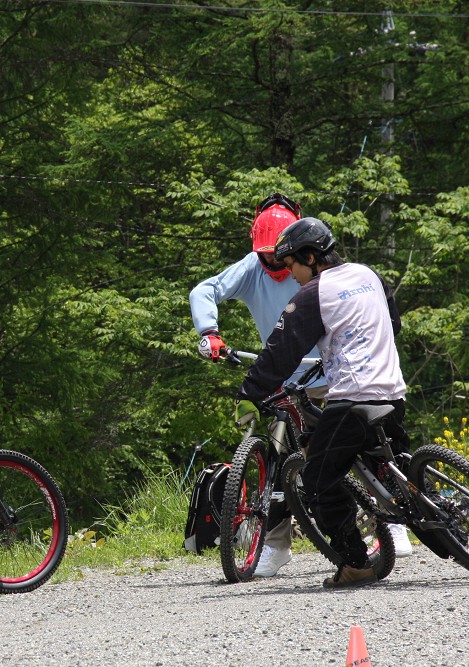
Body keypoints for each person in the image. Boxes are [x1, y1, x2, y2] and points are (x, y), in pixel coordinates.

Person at [236, 217, 410, 588]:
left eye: (291, 265)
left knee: (316, 479)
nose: (290, 274)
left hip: (351, 399)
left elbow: (280, 355)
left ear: (311, 256)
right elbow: (393, 325)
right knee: (396, 472)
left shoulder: (314, 292)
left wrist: (248, 394)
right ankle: (437, 522)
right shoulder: (369, 275)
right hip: (393, 391)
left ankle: (357, 564)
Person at [189, 193, 328, 578]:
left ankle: (391, 524)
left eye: (280, 254)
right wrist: (210, 333)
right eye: (267, 254)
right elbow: (204, 290)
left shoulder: (314, 265)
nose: (275, 262)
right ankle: (276, 545)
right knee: (279, 461)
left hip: (328, 374)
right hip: (283, 379)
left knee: (351, 445)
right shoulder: (252, 268)